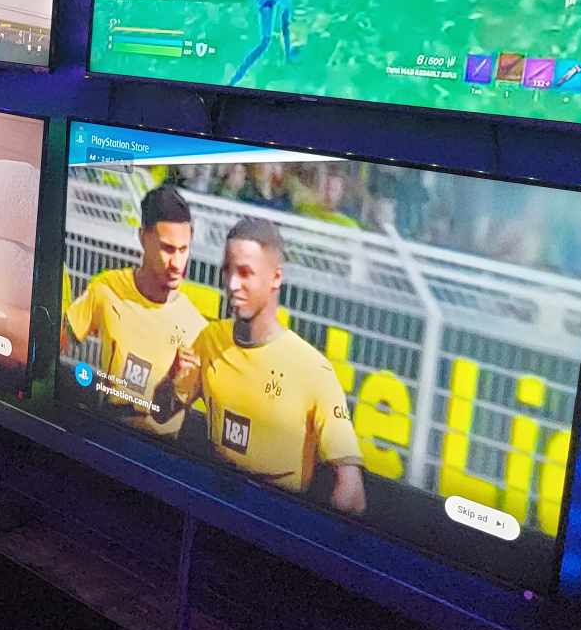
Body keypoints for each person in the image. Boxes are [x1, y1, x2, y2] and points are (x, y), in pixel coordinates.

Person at [160, 217, 365, 513]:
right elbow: (162, 412)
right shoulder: (210, 339)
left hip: (274, 523)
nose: (232, 284)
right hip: (209, 508)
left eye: (245, 273)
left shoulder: (314, 370)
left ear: (275, 278)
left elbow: (353, 493)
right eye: (228, 270)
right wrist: (172, 380)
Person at [65, 185, 209, 437]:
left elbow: (176, 411)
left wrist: (174, 380)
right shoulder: (107, 288)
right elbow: (54, 342)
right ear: (143, 238)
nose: (177, 263)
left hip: (161, 449)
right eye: (167, 249)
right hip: (105, 432)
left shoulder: (196, 327)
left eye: (183, 250)